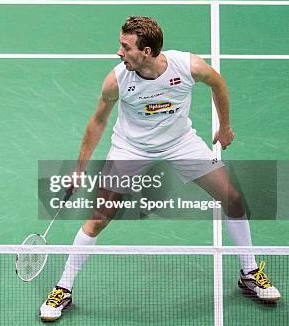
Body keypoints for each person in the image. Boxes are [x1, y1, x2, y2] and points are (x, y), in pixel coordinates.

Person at [39, 16, 281, 322]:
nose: (118, 52)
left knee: (232, 198)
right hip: (131, 148)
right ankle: (64, 287)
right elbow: (98, 121)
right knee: (99, 217)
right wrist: (79, 169)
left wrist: (225, 126)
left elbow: (217, 82)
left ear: (148, 51)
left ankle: (249, 272)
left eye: (126, 47)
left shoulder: (187, 67)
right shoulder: (117, 80)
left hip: (181, 143)